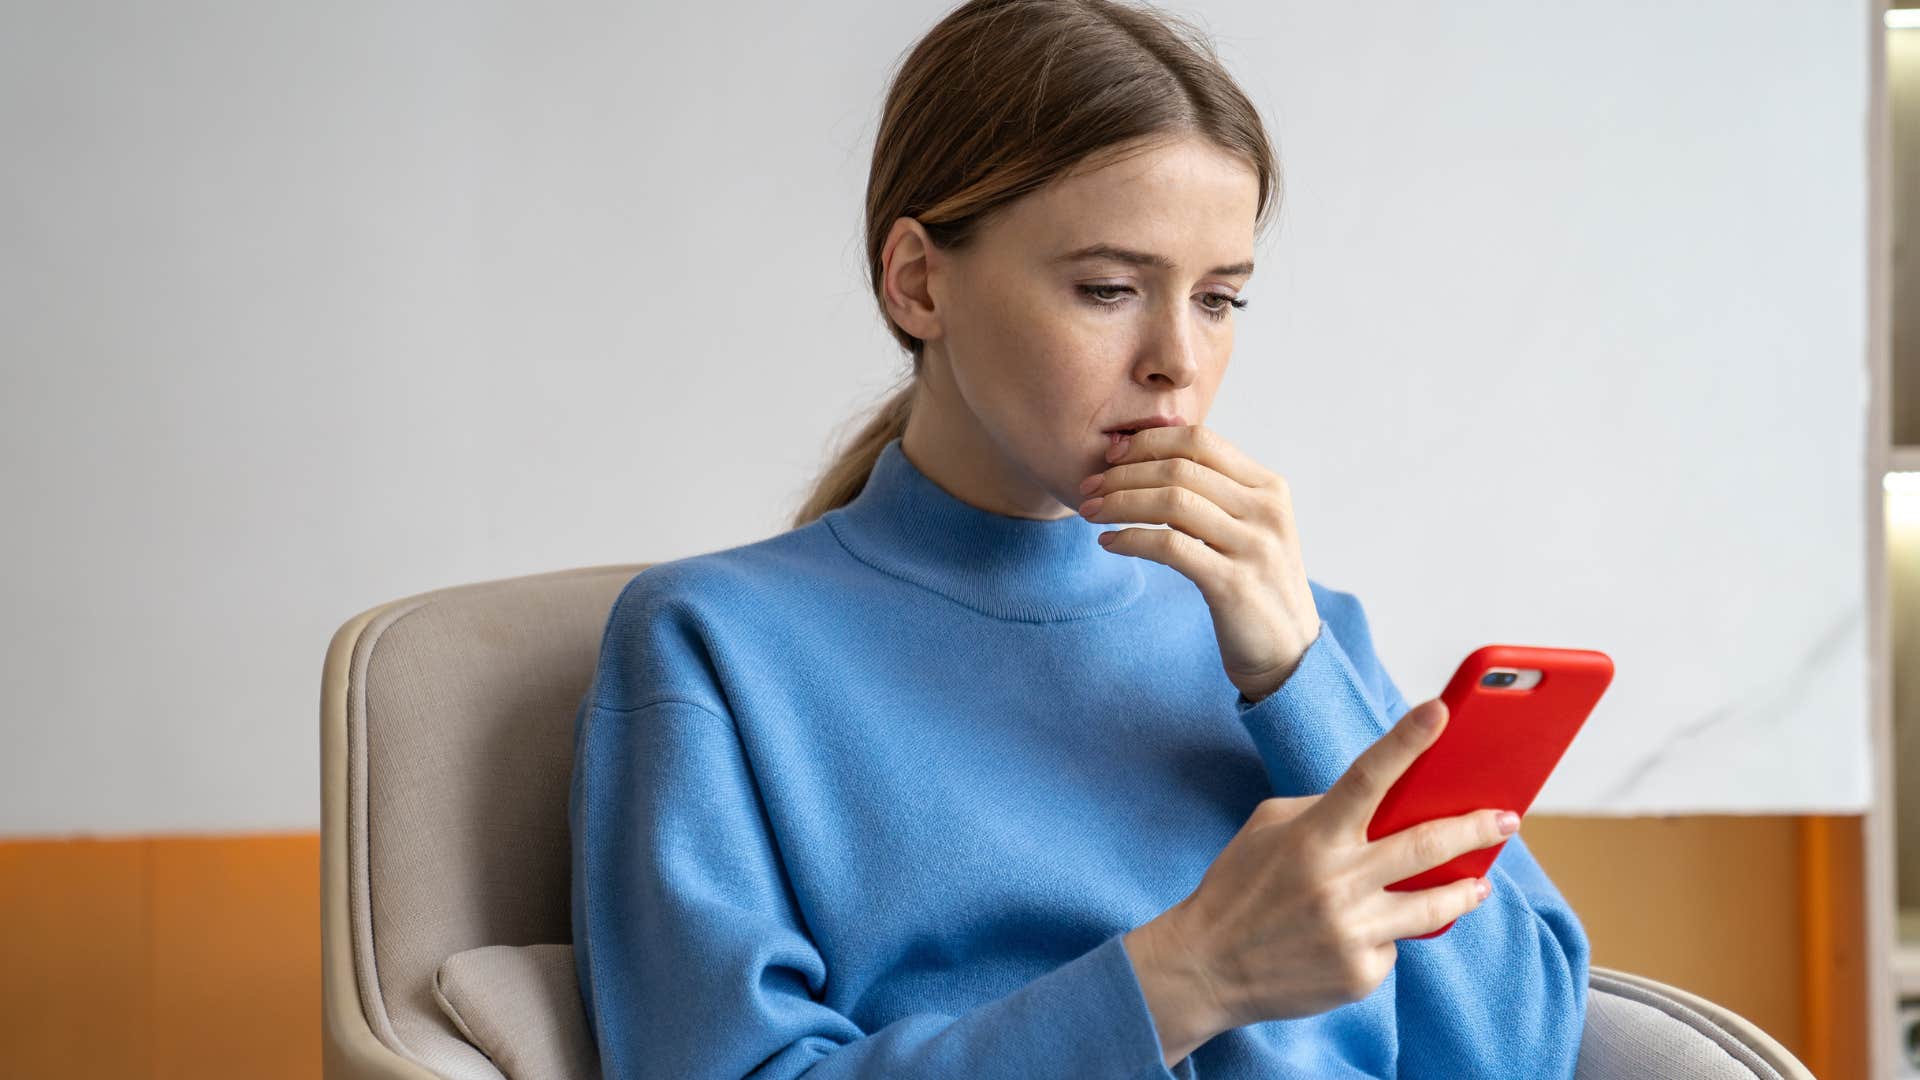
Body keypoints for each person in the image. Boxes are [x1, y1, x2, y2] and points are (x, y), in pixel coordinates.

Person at [567, 0, 1590, 1076]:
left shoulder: (1305, 639)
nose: (1176, 362)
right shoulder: (718, 646)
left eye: (1220, 299)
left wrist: (1299, 680)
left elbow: (1520, 1053)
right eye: (1109, 288)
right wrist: (1192, 976)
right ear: (919, 281)